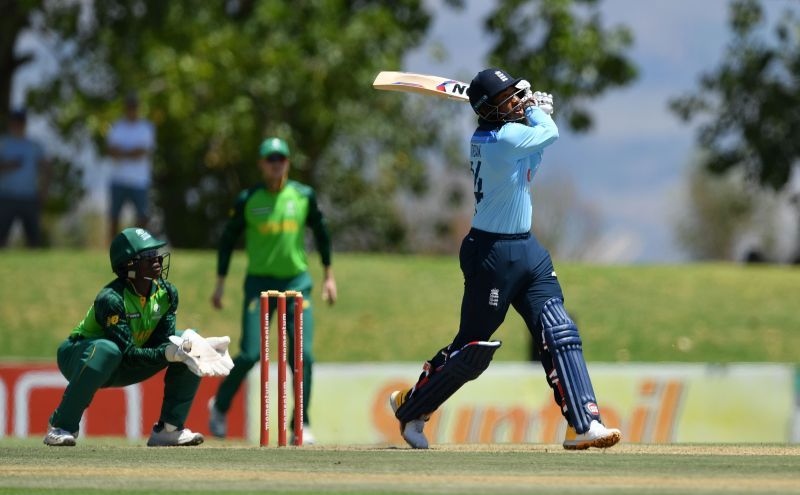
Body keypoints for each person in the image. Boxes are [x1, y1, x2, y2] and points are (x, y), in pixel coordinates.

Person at [388, 68, 621, 450]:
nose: (515, 102)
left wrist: (531, 111)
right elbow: (550, 133)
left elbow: (531, 163)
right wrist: (537, 110)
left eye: (517, 96)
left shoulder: (507, 137)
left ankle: (585, 423)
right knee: (471, 350)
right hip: (491, 255)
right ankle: (411, 406)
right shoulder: (496, 140)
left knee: (560, 331)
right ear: (489, 110)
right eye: (508, 99)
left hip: (527, 250)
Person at [44, 227, 233, 447]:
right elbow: (128, 353)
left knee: (190, 342)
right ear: (128, 265)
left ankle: (169, 429)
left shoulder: (167, 293)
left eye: (156, 254)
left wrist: (190, 347)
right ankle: (60, 427)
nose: (156, 260)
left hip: (124, 361)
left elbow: (164, 340)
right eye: (147, 256)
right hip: (80, 357)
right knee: (109, 349)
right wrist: (168, 352)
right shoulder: (111, 299)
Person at [209, 137, 337, 445]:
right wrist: (220, 283)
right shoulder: (249, 199)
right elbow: (227, 240)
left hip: (297, 283)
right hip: (258, 284)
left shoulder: (303, 196)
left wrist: (329, 277)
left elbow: (321, 233)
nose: (276, 163)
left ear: (288, 163)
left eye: (281, 158)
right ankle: (220, 406)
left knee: (302, 355)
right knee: (251, 353)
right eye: (270, 159)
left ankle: (301, 424)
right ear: (261, 164)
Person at [107, 93, 156, 242]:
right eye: (129, 107)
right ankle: (113, 247)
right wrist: (130, 152)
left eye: (134, 107)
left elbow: (142, 152)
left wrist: (123, 152)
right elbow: (112, 151)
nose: (131, 110)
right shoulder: (117, 126)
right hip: (119, 179)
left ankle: (139, 245)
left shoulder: (146, 127)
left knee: (143, 216)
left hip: (139, 180)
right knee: (114, 216)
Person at [0, 109, 50, 247]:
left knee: (33, 239)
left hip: (29, 196)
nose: (17, 125)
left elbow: (45, 168)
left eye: (20, 122)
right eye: (15, 122)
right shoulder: (3, 143)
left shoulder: (34, 145)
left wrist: (44, 190)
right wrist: (7, 166)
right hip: (6, 196)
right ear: (11, 123)